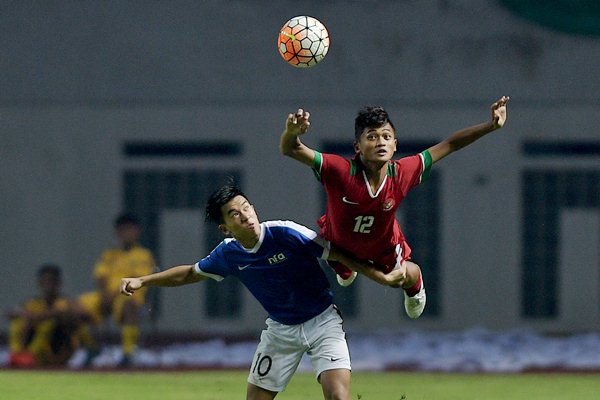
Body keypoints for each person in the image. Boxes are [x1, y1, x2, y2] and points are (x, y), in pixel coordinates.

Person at [120, 184, 405, 400]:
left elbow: (339, 254)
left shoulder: (285, 233)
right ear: (225, 228)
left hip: (323, 323)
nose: (245, 215)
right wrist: (144, 281)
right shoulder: (228, 254)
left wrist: (381, 276)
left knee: (338, 397)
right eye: (234, 214)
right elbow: (190, 273)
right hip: (280, 331)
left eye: (246, 207)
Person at [280, 96, 510, 319]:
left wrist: (490, 126)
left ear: (395, 144)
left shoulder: (402, 172)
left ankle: (415, 285)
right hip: (340, 242)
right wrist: (292, 133)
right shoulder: (339, 170)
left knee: (401, 277)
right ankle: (344, 268)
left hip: (383, 246)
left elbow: (450, 144)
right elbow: (291, 149)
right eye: (372, 137)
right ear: (357, 146)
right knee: (336, 262)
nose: (380, 142)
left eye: (386, 136)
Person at [78, 213, 156, 366]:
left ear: (137, 231)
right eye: (122, 230)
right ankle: (91, 347)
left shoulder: (143, 255)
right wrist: (104, 294)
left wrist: (113, 295)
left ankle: (128, 354)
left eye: (130, 230)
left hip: (130, 297)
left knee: (129, 306)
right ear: (117, 232)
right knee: (76, 308)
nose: (126, 234)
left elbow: (139, 281)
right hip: (106, 296)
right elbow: (100, 276)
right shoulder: (109, 255)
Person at [6, 264, 87, 367]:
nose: (49, 285)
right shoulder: (32, 304)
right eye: (46, 281)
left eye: (52, 281)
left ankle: (31, 356)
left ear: (59, 283)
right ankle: (17, 355)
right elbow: (10, 312)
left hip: (62, 348)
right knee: (18, 322)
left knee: (49, 323)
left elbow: (80, 313)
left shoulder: (66, 302)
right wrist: (28, 316)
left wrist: (40, 316)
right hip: (36, 347)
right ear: (39, 283)